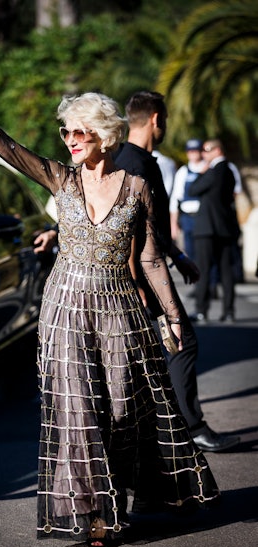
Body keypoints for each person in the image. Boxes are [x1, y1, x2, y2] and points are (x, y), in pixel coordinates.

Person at [0, 58, 220, 547]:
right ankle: (97, 514)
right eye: (66, 133)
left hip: (119, 307)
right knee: (79, 413)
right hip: (65, 307)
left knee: (120, 410)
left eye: (80, 133)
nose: (70, 141)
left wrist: (174, 316)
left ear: (104, 136)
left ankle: (127, 494)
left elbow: (152, 260)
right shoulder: (60, 178)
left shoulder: (135, 186)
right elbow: (8, 149)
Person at [112, 91, 240, 453]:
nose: (165, 125)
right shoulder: (134, 164)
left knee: (161, 351)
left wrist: (178, 255)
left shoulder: (138, 160)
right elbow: (129, 231)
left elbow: (152, 225)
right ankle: (190, 427)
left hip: (150, 270)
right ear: (155, 119)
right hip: (140, 276)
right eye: (164, 119)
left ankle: (168, 429)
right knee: (182, 343)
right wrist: (138, 283)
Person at [188, 139, 240, 323]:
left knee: (203, 269)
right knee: (227, 271)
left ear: (217, 150)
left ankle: (201, 310)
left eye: (207, 150)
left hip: (207, 227)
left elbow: (193, 189)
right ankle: (229, 310)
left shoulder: (213, 171)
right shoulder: (231, 171)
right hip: (225, 227)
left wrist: (202, 172)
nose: (203, 154)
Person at [170, 138, 205, 262]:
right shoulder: (183, 171)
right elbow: (175, 199)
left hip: (204, 216)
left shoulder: (208, 168)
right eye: (190, 151)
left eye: (196, 151)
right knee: (190, 251)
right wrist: (173, 223)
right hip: (187, 218)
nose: (193, 154)